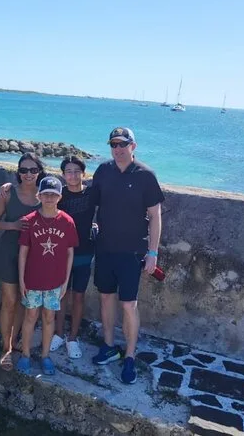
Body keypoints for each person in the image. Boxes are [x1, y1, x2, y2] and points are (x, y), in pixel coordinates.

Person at [91, 127, 165, 385]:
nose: (118, 149)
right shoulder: (103, 171)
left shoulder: (145, 175)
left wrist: (153, 253)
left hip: (132, 252)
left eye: (123, 144)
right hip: (104, 248)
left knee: (128, 304)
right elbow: (92, 202)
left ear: (133, 146)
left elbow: (155, 216)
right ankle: (109, 346)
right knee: (105, 298)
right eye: (114, 144)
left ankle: (130, 355)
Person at [0, 153, 44, 371]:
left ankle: (15, 339)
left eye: (33, 170)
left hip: (35, 255)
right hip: (10, 251)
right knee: (9, 300)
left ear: (39, 172)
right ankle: (6, 348)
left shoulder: (45, 194)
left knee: (23, 300)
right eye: (23, 170)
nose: (28, 174)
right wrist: (13, 225)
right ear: (18, 172)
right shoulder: (8, 193)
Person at [16, 176, 77, 375]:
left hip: (55, 282)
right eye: (46, 194)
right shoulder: (29, 221)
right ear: (39, 196)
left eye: (53, 194)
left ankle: (45, 356)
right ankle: (25, 354)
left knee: (49, 317)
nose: (49, 198)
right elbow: (23, 252)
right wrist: (21, 280)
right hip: (32, 280)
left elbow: (70, 253)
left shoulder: (67, 222)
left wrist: (65, 281)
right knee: (30, 315)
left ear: (59, 197)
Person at [48, 155, 97, 359]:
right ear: (63, 175)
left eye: (77, 171)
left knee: (78, 296)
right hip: (61, 252)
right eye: (69, 171)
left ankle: (73, 338)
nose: (73, 175)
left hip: (85, 251)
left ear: (84, 174)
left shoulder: (92, 193)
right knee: (61, 295)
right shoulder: (59, 195)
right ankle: (58, 334)